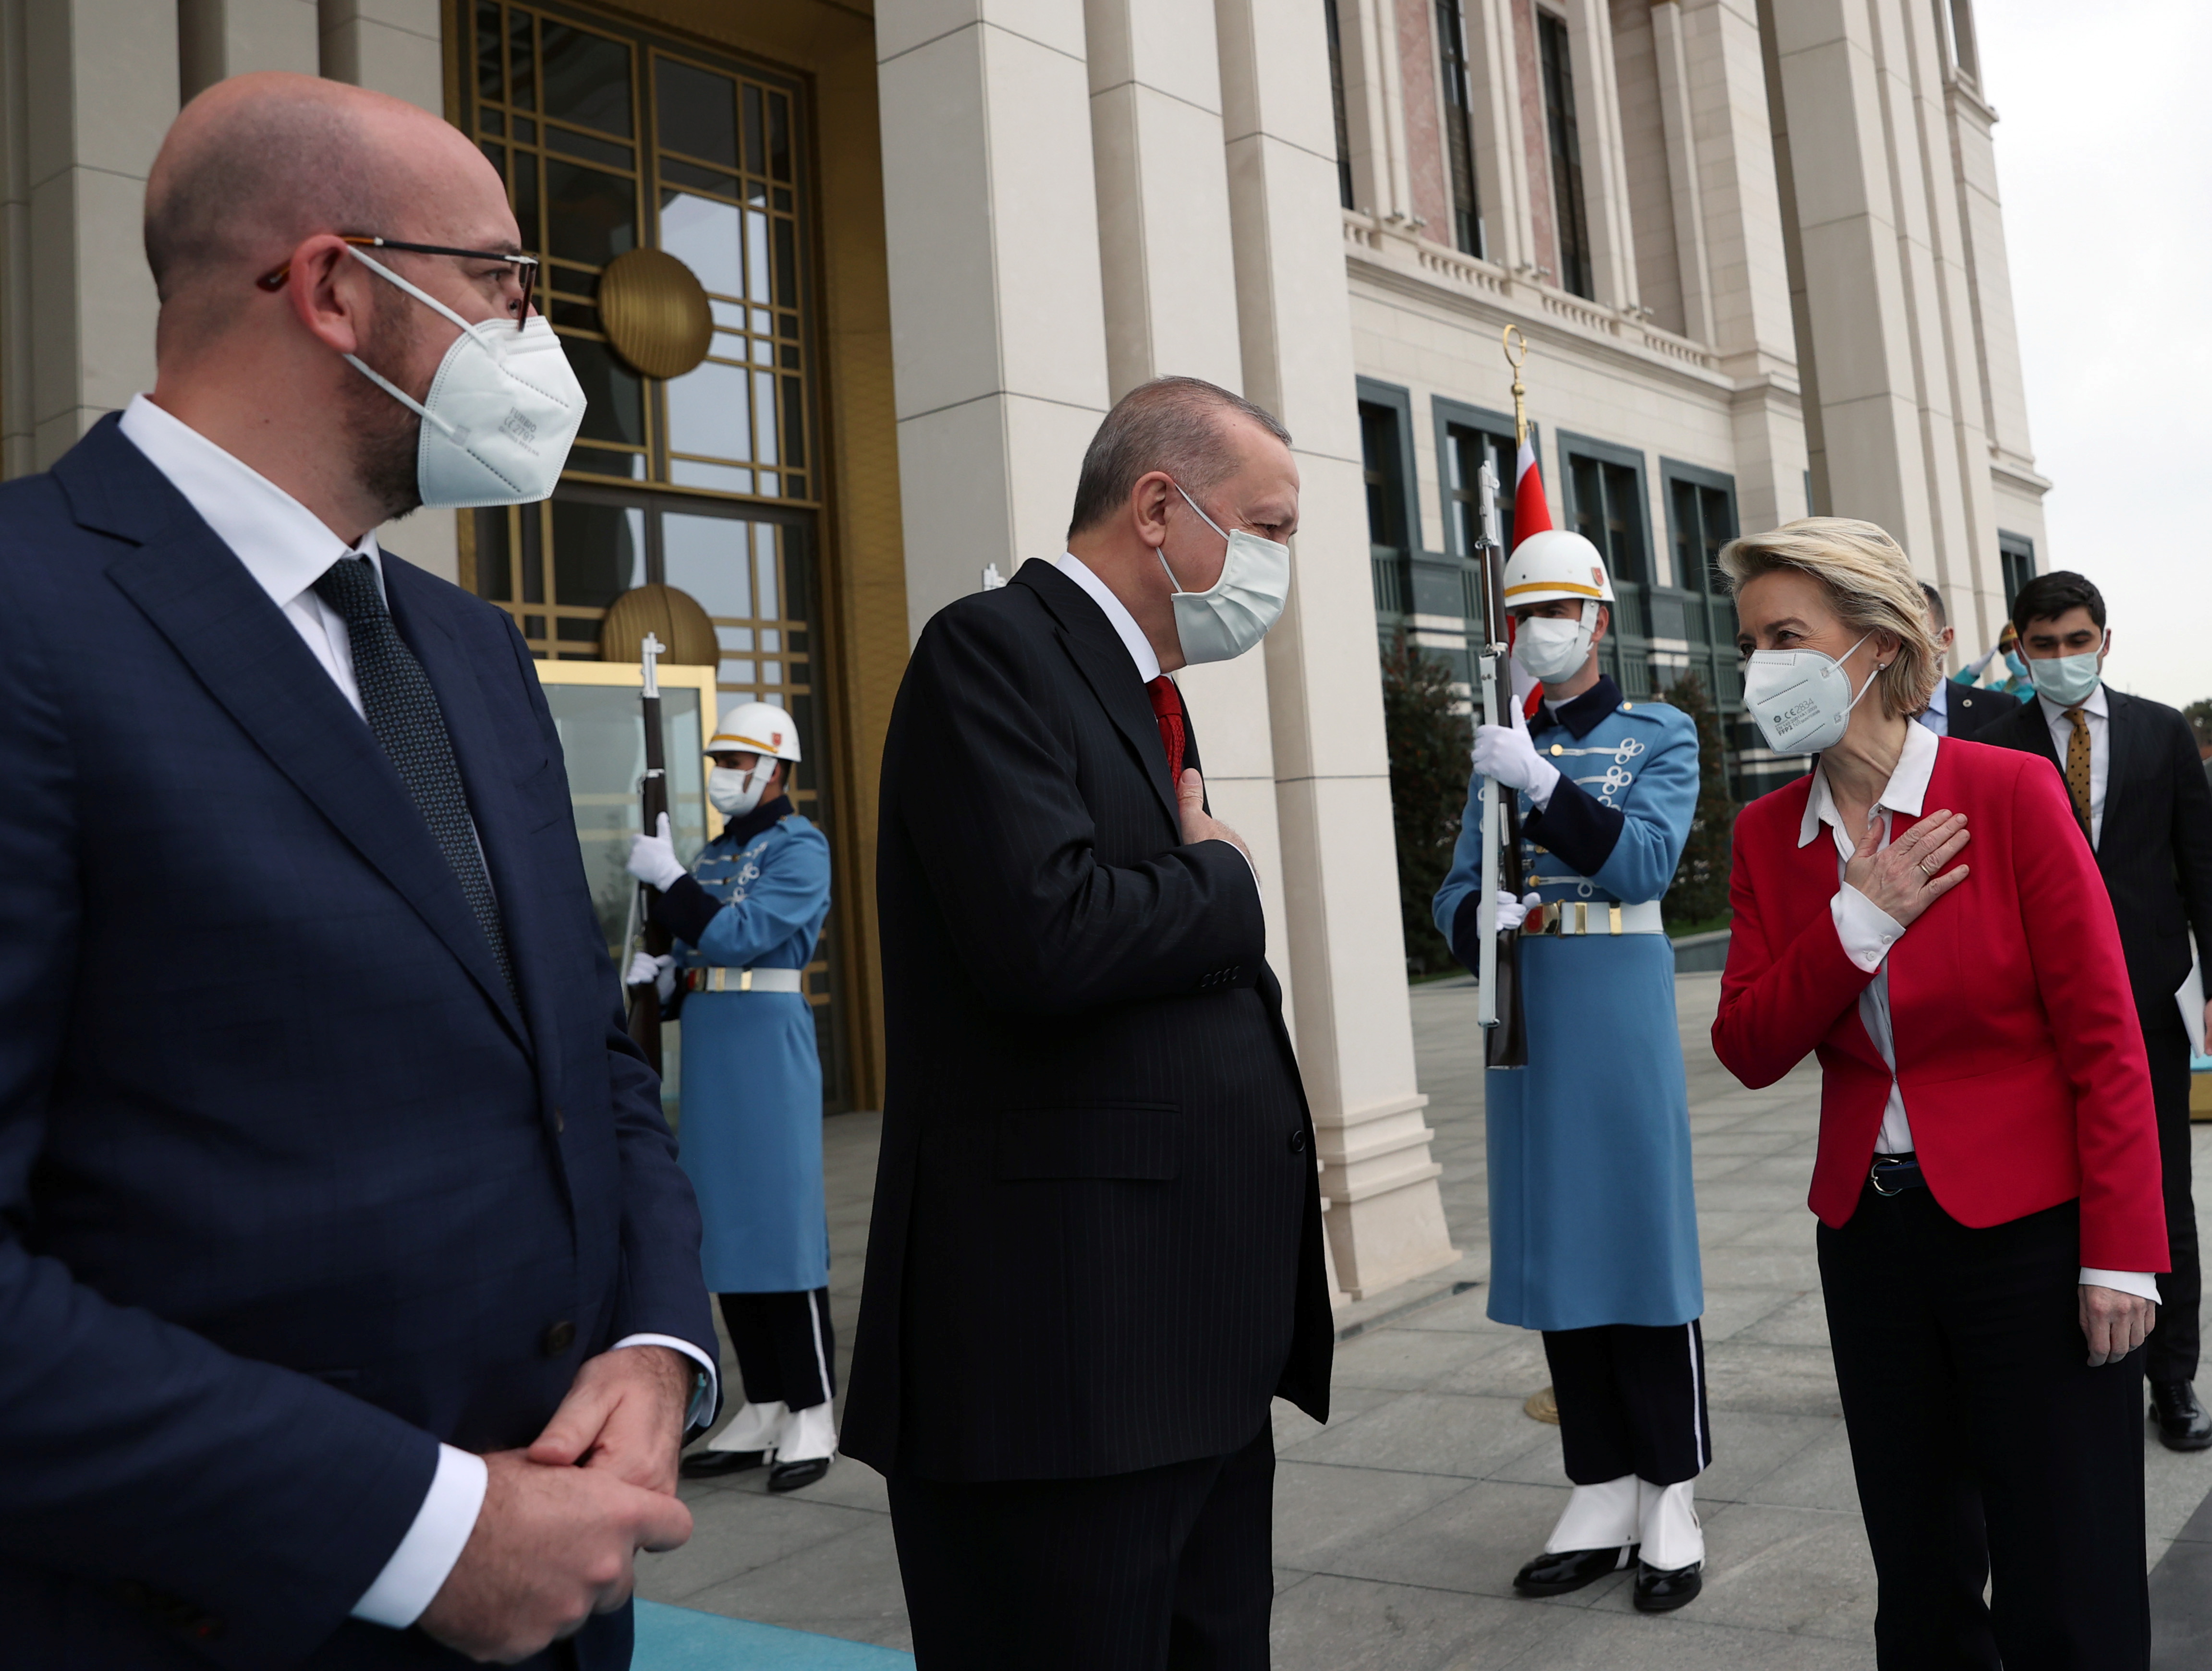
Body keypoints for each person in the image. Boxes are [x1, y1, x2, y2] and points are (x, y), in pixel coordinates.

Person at [0, 73, 720, 1668]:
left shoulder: (467, 650)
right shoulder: (29, 614)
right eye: (500, 281)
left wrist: (660, 1342)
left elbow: (586, 1059)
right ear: (336, 287)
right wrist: (414, 1532)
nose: (535, 336)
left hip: (565, 1608)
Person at [845, 376, 1331, 1669]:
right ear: (1159, 508)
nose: (1282, 566)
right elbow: (1045, 937)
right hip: (1063, 1374)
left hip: (1184, 1358)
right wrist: (1224, 883)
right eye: (1269, 529)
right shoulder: (991, 652)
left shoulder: (1141, 692)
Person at [1713, 519, 2166, 1668]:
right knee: (1918, 1571)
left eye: (1786, 636)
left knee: (2068, 1564)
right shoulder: (1771, 835)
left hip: (2033, 1232)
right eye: (1750, 640)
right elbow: (1752, 1044)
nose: (1761, 666)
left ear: (1874, 644)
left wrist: (2122, 1252)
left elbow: (2106, 1038)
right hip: (1872, 1239)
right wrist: (1856, 921)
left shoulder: (2005, 791)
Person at [1432, 530, 1708, 1611]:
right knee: (1558, 1248)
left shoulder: (1658, 732)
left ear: (1597, 619)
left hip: (1615, 1005)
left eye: (1558, 610)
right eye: (1523, 614)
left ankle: (1670, 1488)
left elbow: (1642, 861)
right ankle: (1600, 1483)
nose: (1539, 631)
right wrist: (1478, 922)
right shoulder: (1502, 740)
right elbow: (1454, 890)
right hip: (1529, 1013)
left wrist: (1543, 783)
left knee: (1641, 1245)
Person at [1976, 570, 2212, 1450]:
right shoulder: (1993, 744)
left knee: (2160, 1193)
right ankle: (2067, 1360)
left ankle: (2173, 1379)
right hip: (2028, 1006)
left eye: (2079, 641)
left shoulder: (2161, 732)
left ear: (2104, 642)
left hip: (2144, 1000)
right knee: (2046, 1190)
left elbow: (2202, 866)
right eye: (2045, 645)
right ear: (2019, 647)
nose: (2064, 658)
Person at [626, 702, 839, 1491]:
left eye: (737, 763)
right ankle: (767, 1400)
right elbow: (696, 950)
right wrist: (664, 982)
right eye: (717, 762)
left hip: (766, 1038)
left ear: (776, 770)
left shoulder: (800, 847)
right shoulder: (717, 853)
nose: (724, 776)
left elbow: (740, 937)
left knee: (782, 1226)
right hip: (713, 1042)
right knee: (723, 1227)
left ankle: (813, 1407)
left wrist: (674, 884)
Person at [1915, 581, 2018, 739]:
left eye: (1918, 637)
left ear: (1945, 639)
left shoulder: (1999, 710)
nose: (1902, 649)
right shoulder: (1867, 715)